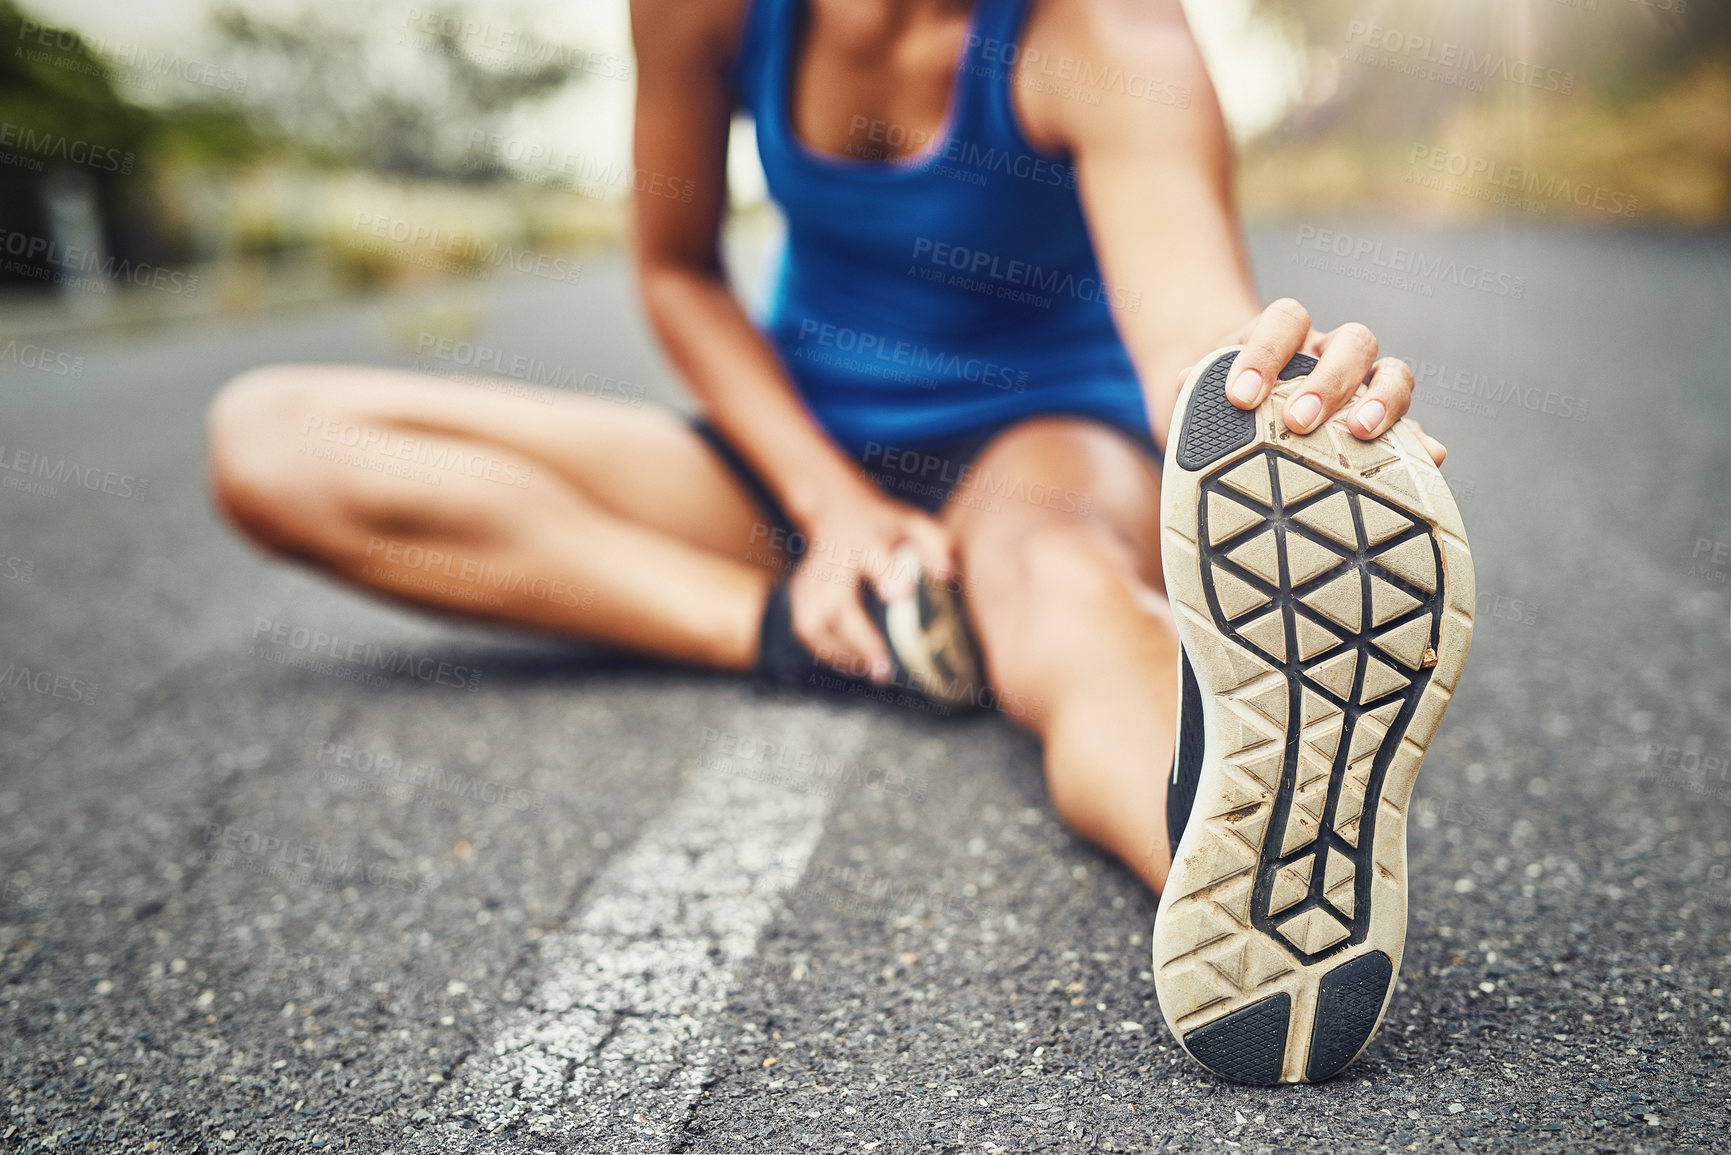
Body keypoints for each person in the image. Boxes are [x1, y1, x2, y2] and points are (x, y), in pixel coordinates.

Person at [207, 0, 1463, 1084]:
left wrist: (1282, 415)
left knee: (1060, 584)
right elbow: (677, 272)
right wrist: (835, 513)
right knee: (274, 438)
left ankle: (1232, 851)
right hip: (804, 451)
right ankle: (824, 633)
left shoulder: (1101, 26)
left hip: (1039, 446)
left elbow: (1189, 325)